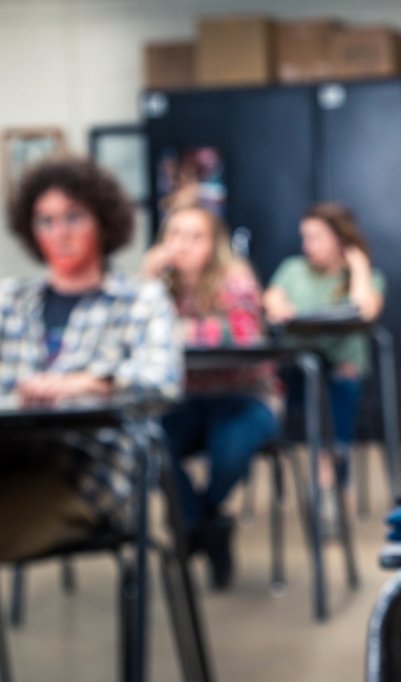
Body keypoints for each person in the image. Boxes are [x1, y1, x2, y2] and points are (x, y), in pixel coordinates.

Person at [0, 156, 182, 561]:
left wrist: (89, 382)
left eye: (73, 217)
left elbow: (163, 379)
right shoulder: (11, 301)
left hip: (89, 472)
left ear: (103, 221)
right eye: (45, 221)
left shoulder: (138, 299)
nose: (59, 233)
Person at [142, 204, 280, 589]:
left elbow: (245, 337)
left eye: (194, 236)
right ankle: (206, 526)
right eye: (174, 235)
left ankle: (193, 523)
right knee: (148, 442)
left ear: (213, 245)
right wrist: (145, 284)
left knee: (229, 451)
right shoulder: (155, 288)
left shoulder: (234, 280)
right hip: (182, 400)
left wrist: (181, 331)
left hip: (245, 396)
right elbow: (134, 340)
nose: (182, 245)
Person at [264, 202, 385, 507]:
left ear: (339, 239)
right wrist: (278, 307)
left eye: (316, 237)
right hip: (296, 368)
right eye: (304, 237)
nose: (308, 246)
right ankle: (321, 479)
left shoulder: (366, 276)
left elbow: (365, 310)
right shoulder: (293, 269)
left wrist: (358, 267)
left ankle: (328, 483)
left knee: (339, 383)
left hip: (339, 369)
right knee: (288, 379)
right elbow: (272, 300)